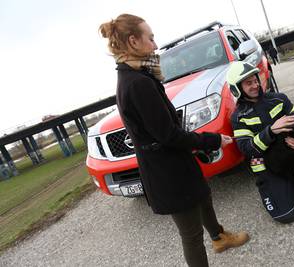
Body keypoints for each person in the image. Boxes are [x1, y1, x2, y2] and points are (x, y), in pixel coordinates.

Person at [99, 14, 249, 267]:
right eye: (151, 38)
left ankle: (220, 237)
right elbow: (168, 135)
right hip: (166, 172)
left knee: (203, 196)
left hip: (175, 162)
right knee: (191, 235)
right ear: (133, 41)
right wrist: (212, 140)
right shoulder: (137, 84)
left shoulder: (139, 76)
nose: (155, 45)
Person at [227, 61, 294, 224]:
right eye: (248, 83)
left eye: (255, 80)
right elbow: (247, 149)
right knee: (287, 215)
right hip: (270, 166)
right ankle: (291, 184)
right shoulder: (239, 118)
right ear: (236, 88)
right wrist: (270, 131)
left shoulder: (279, 99)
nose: (255, 85)